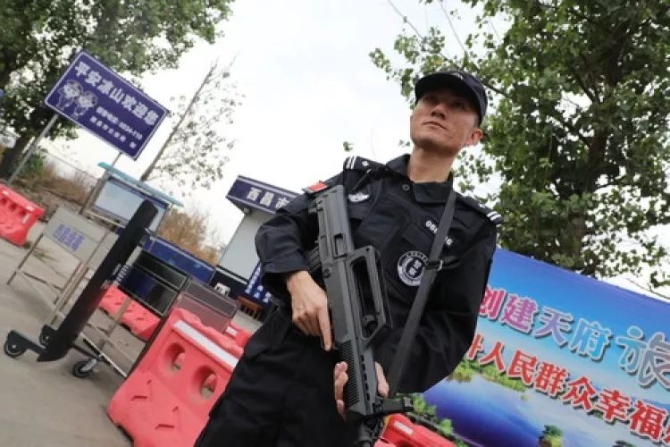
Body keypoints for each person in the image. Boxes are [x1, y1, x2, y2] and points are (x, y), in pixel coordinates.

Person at [195, 69, 502, 447]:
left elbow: (448, 330)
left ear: (473, 137)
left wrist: (382, 371)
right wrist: (298, 280)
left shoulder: (470, 228)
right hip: (270, 368)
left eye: (456, 106)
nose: (439, 109)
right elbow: (280, 227)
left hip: (343, 398)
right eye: (430, 100)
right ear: (413, 114)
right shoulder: (357, 180)